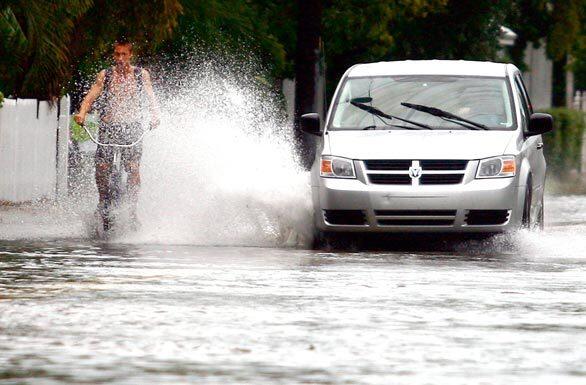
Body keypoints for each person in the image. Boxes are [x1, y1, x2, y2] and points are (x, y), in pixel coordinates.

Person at [74, 39, 159, 232]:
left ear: (130, 55)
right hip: (109, 127)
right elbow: (90, 96)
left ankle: (131, 209)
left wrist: (155, 116)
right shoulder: (106, 75)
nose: (120, 58)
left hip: (132, 128)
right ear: (114, 55)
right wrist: (82, 112)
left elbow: (151, 96)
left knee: (133, 168)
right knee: (102, 167)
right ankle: (103, 200)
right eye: (117, 55)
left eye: (124, 55)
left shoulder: (140, 74)